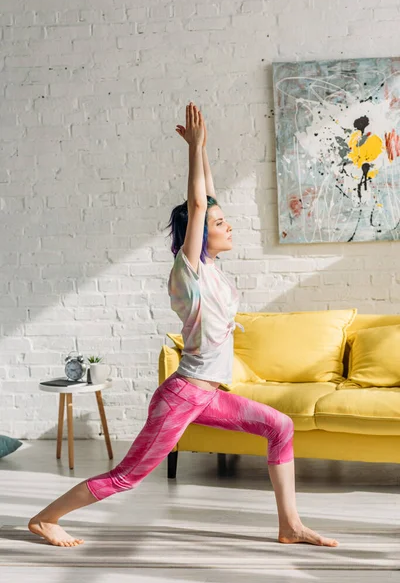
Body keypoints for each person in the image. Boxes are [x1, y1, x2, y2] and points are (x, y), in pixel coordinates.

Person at [28, 102, 339, 548]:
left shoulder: (210, 270)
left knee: (280, 426)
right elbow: (198, 203)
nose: (227, 224)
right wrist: (193, 150)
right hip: (183, 396)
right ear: (197, 232)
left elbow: (206, 199)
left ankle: (289, 525)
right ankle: (44, 518)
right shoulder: (187, 273)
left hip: (209, 395)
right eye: (218, 223)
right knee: (127, 477)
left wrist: (206, 151)